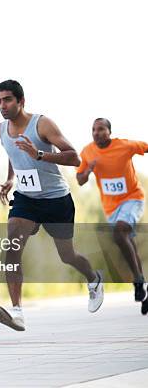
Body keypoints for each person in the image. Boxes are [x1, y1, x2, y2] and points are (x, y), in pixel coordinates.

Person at [0, 79, 104, 331]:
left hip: (56, 200)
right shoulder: (0, 130)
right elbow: (13, 153)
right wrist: (11, 179)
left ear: (21, 101)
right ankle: (17, 311)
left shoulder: (42, 124)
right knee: (11, 246)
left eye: (8, 99)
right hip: (26, 200)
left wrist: (40, 155)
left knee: (67, 256)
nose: (3, 105)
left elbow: (75, 158)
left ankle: (93, 278)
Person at [77, 118, 147, 313]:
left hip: (133, 198)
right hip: (111, 207)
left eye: (101, 129)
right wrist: (88, 171)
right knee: (126, 241)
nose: (96, 133)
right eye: (93, 130)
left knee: (119, 233)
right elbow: (80, 180)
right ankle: (140, 283)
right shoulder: (87, 151)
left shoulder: (124, 145)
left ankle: (138, 279)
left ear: (109, 132)